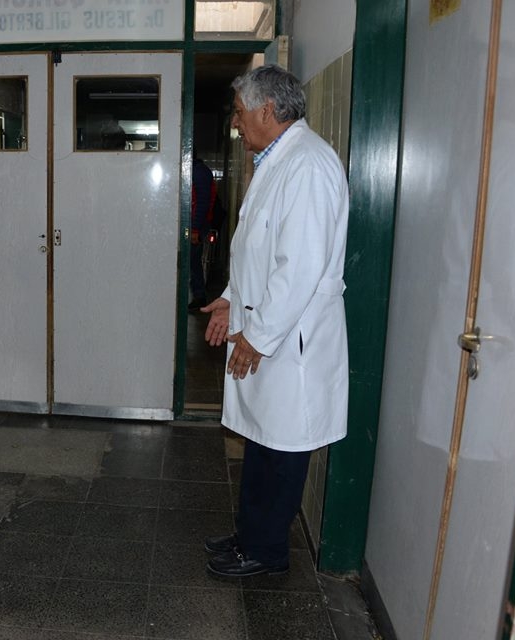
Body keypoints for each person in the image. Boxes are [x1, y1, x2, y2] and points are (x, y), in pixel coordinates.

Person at [200, 65, 349, 578]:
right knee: (263, 442)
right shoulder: (279, 161)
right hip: (272, 329)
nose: (236, 123)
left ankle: (266, 551)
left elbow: (299, 268)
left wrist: (258, 337)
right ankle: (250, 535)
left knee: (281, 450)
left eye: (240, 112)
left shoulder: (307, 165)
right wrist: (230, 299)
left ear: (267, 110)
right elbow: (256, 251)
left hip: (291, 339)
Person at [188, 158, 222, 311]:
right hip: (196, 224)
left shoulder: (199, 172)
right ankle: (198, 295)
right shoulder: (198, 171)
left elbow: (202, 203)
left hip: (196, 225)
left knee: (193, 262)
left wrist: (195, 229)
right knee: (193, 262)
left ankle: (199, 296)